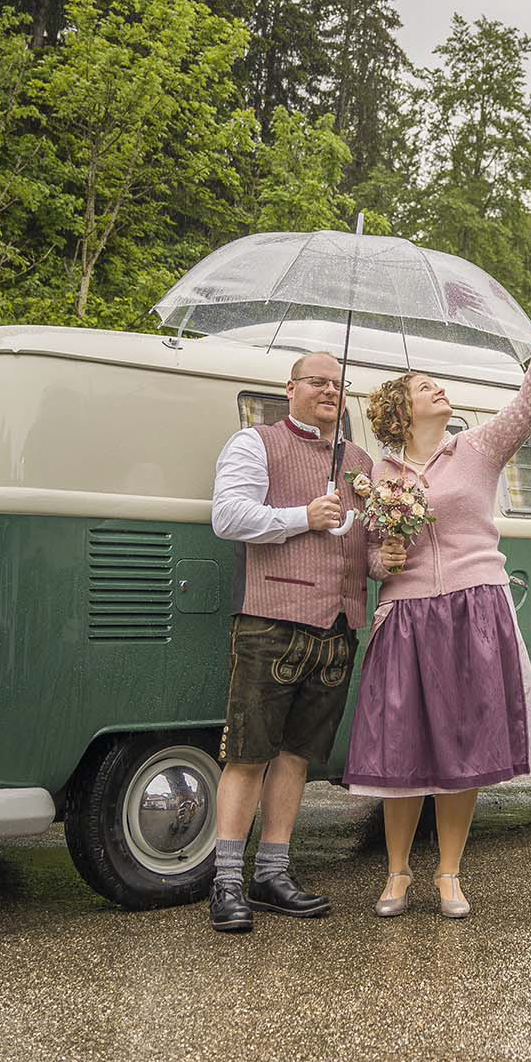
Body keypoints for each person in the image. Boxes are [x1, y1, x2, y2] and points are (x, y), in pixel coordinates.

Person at [343, 289, 531, 919]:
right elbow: (366, 556)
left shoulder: (480, 449)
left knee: (463, 747)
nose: (440, 391)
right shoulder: (380, 478)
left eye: (438, 385)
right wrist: (376, 562)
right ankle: (395, 875)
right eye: (425, 387)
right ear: (399, 410)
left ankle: (448, 874)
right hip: (406, 615)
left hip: (474, 606)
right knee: (402, 748)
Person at [208, 348, 400, 934]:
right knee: (247, 753)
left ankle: (272, 872)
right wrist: (301, 516)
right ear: (288, 388)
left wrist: (381, 558)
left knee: (297, 755)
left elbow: (359, 545)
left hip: (338, 627)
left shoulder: (360, 460)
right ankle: (225, 880)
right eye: (317, 381)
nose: (328, 391)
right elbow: (227, 517)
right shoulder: (254, 443)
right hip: (271, 622)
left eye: (337, 384)